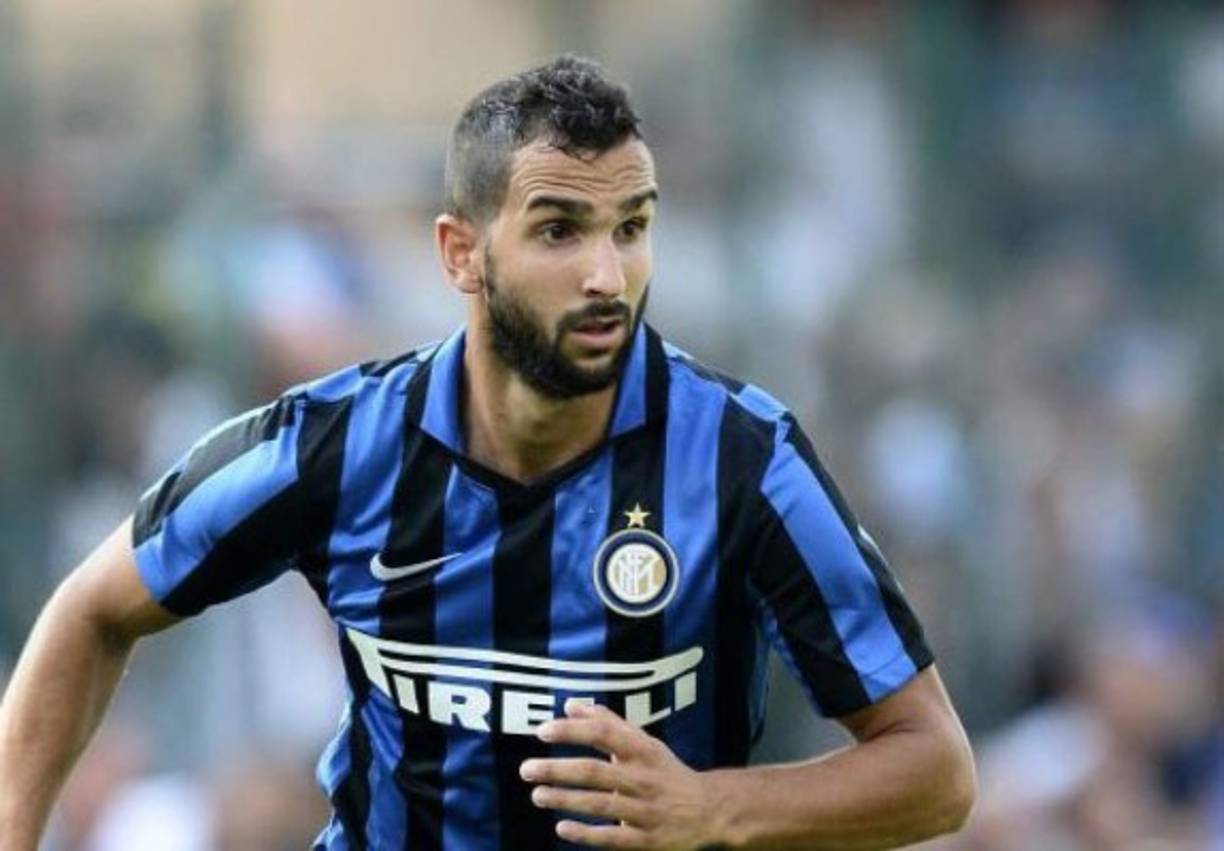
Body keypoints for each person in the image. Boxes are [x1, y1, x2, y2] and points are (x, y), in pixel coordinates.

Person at [0, 55, 975, 850]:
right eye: (560, 229)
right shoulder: (336, 447)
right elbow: (91, 608)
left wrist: (715, 807)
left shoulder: (740, 459)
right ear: (460, 253)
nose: (607, 274)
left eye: (631, 228)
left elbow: (934, 767)